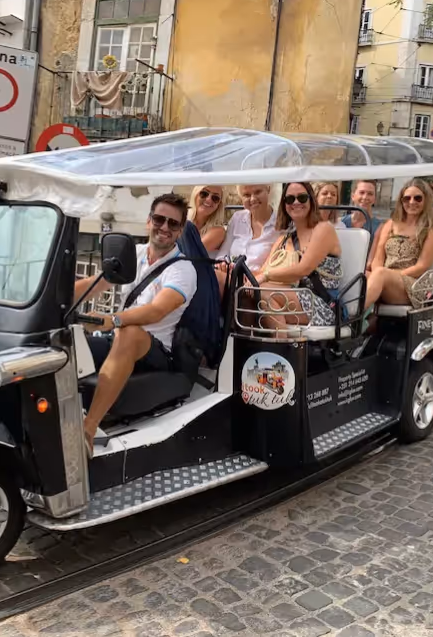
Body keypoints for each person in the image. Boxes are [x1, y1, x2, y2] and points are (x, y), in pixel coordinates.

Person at [74, 193, 198, 452]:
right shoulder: (136, 254)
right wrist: (55, 295)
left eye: (172, 224)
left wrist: (113, 320)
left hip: (155, 350)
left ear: (180, 231)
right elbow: (96, 283)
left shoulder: (183, 269)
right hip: (117, 339)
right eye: (159, 219)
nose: (164, 227)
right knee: (66, 342)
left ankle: (87, 429)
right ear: (148, 221)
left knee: (129, 333)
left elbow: (156, 311)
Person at [252, 182, 343, 330]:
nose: (295, 203)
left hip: (321, 304)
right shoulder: (285, 238)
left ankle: (280, 346)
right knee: (243, 291)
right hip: (293, 295)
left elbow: (303, 269)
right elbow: (262, 271)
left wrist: (266, 276)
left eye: (302, 198)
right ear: (284, 205)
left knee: (261, 291)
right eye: (289, 199)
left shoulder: (323, 228)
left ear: (311, 201)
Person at [363, 178, 433, 311]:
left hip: (411, 283)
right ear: (401, 201)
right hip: (384, 277)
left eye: (418, 198)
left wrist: (390, 275)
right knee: (361, 275)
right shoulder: (390, 224)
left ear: (426, 201)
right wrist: (380, 273)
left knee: (381, 274)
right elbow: (378, 257)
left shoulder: (432, 229)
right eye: (407, 198)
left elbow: (421, 267)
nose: (412, 202)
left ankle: (349, 318)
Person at [214, 184, 280, 297]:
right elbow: (222, 254)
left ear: (268, 190)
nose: (253, 199)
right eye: (247, 195)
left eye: (258, 192)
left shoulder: (281, 224)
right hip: (231, 279)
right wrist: (223, 264)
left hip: (260, 283)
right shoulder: (237, 218)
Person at [187, 185, 226, 256]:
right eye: (204, 194)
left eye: (215, 198)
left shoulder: (218, 231)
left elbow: (192, 253)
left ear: (219, 205)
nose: (208, 200)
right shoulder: (180, 218)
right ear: (195, 195)